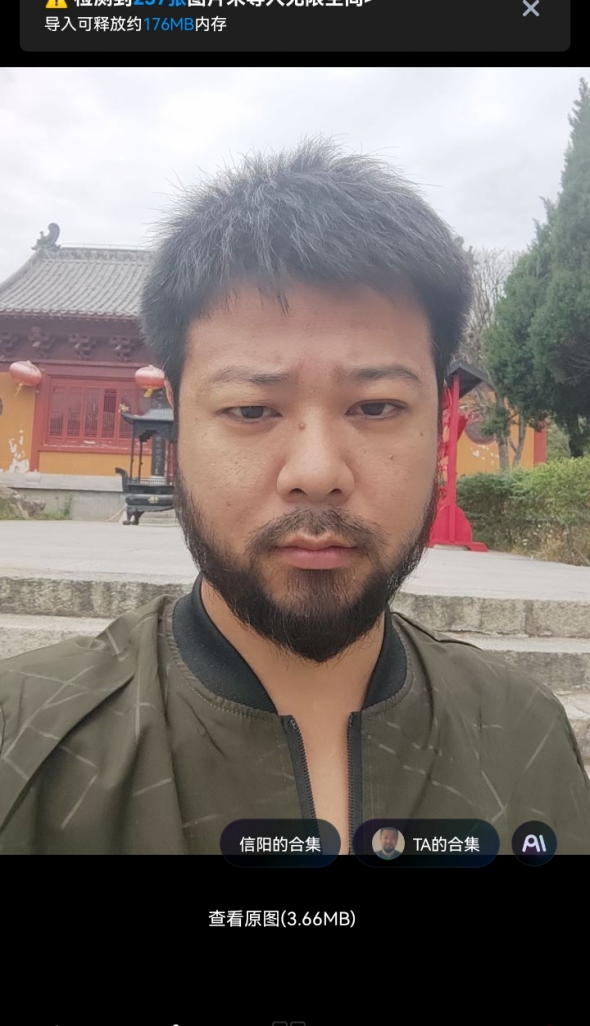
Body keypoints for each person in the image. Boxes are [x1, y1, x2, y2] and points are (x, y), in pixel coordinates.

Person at [1, 137, 589, 855]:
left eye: (376, 406)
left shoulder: (523, 734)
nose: (316, 472)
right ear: (177, 424)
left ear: (438, 426)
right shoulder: (25, 740)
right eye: (252, 410)